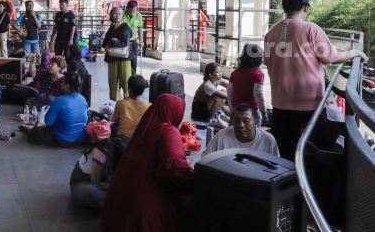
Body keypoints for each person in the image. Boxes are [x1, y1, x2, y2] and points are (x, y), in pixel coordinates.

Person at [264, 0, 367, 161]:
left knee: (284, 153)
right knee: (310, 155)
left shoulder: (270, 33)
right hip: (309, 105)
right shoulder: (311, 29)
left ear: (284, 8)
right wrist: (354, 53)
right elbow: (331, 57)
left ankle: (289, 186)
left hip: (280, 104)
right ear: (305, 8)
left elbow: (268, 63)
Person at [101, 94, 194, 232]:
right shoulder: (168, 130)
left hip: (119, 207)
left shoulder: (146, 127)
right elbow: (173, 166)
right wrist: (197, 179)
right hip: (144, 211)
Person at [18, 72, 88, 147]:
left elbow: (48, 122)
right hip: (81, 140)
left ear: (67, 86)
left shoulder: (59, 100)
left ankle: (28, 128)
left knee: (37, 132)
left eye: (62, 82)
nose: (60, 84)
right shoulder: (82, 98)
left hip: (62, 140)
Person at [69, 135, 130, 209]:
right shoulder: (101, 153)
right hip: (85, 182)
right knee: (92, 192)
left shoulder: (126, 147)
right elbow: (95, 180)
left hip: (105, 181)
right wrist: (117, 188)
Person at [202, 103, 280, 157]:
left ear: (256, 123)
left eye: (246, 121)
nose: (241, 125)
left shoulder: (268, 140)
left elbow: (276, 168)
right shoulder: (221, 136)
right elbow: (205, 161)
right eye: (237, 120)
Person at [227, 44, 266, 123]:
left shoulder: (235, 72)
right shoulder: (258, 74)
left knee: (233, 133)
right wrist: (264, 112)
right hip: (251, 112)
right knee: (253, 134)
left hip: (236, 109)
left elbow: (229, 92)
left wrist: (232, 108)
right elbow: (258, 93)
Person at [103, 7, 134, 101]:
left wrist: (111, 42)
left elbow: (124, 43)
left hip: (124, 58)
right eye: (115, 14)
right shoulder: (111, 27)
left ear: (122, 16)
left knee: (126, 82)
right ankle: (113, 103)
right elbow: (104, 42)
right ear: (112, 15)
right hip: (112, 58)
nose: (117, 16)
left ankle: (127, 103)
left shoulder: (125, 28)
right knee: (112, 82)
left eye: (119, 14)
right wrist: (109, 42)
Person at [123, 0, 143, 74]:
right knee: (124, 60)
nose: (132, 13)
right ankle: (123, 79)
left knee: (133, 60)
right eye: (130, 11)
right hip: (124, 41)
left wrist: (141, 40)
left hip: (134, 41)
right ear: (127, 8)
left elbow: (140, 28)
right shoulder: (122, 14)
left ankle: (133, 77)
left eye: (134, 11)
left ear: (136, 9)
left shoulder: (138, 15)